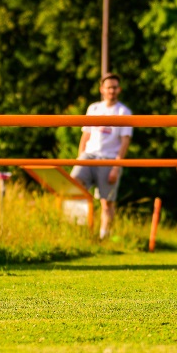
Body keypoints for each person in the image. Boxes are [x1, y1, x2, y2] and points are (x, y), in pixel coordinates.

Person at [70, 73, 132, 240]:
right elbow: (85, 136)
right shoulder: (94, 109)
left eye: (114, 87)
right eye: (108, 87)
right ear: (102, 89)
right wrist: (79, 159)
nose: (111, 90)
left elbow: (125, 142)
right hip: (89, 156)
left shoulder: (124, 112)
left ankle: (104, 237)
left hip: (109, 159)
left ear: (119, 90)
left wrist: (116, 167)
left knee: (107, 202)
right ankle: (79, 229)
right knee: (74, 186)